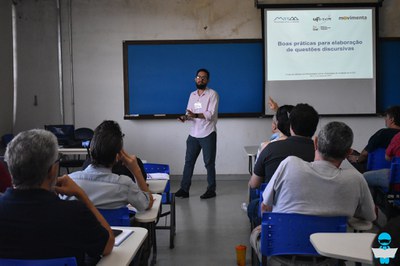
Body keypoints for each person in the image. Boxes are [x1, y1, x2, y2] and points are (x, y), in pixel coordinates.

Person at [250, 122, 376, 263]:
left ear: (315, 143)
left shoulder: (289, 164)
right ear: (348, 153)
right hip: (329, 253)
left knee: (257, 231)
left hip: (282, 248)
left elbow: (264, 206)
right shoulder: (356, 179)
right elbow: (369, 216)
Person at [0, 129, 114, 265]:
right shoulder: (76, 213)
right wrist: (81, 195)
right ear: (53, 170)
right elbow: (108, 245)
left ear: (11, 167)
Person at [247, 103, 319, 226]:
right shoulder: (320, 153)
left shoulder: (270, 148)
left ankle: (259, 233)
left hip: (276, 217)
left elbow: (254, 184)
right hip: (314, 218)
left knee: (253, 206)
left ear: (291, 127)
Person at [69, 120, 153, 211]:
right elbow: (147, 204)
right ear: (118, 156)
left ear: (91, 148)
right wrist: (136, 170)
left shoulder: (70, 182)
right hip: (112, 226)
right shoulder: (125, 185)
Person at [175, 68, 219, 199]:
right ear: (195, 79)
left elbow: (210, 115)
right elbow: (190, 113)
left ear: (208, 80)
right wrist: (186, 117)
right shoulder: (192, 95)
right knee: (188, 162)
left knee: (209, 163)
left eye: (204, 77)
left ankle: (211, 190)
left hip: (208, 133)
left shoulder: (212, 94)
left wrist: (194, 115)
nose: (201, 79)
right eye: (199, 77)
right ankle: (184, 189)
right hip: (193, 133)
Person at [347, 106, 400, 172]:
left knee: (348, 152)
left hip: (374, 171)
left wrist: (357, 159)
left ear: (392, 119)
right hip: (396, 172)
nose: (385, 119)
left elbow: (364, 154)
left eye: (386, 117)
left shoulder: (382, 133)